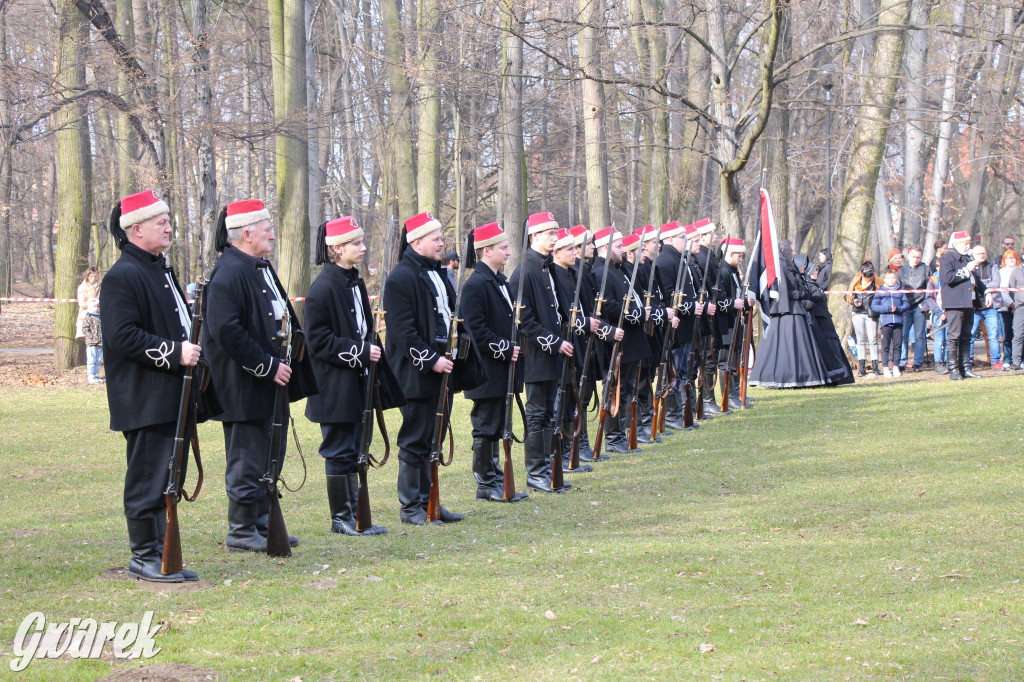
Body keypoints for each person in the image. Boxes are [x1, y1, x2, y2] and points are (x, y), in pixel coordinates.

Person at [100, 190, 214, 582]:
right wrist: (175, 351)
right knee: (149, 477)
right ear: (135, 229)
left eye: (167, 221)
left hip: (170, 395)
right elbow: (122, 337)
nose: (169, 227)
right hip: (144, 396)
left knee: (169, 476)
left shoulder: (158, 270)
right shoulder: (122, 276)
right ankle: (145, 556)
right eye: (160, 222)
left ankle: (161, 554)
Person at [204, 199, 318, 552]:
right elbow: (226, 331)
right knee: (247, 458)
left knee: (270, 453)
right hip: (244, 385)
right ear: (246, 232)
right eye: (267, 227)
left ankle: (263, 522)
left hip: (270, 383)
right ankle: (241, 529)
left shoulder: (258, 267)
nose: (272, 232)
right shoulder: (229, 272)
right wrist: (267, 366)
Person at [304, 216, 402, 536]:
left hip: (359, 383)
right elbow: (318, 341)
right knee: (339, 449)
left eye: (361, 242)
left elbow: (365, 329)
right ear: (336, 248)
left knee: (359, 447)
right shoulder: (321, 288)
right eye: (355, 243)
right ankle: (341, 518)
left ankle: (357, 515)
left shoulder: (356, 282)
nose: (362, 248)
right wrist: (360, 352)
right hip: (333, 387)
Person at [382, 212, 483, 522]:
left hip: (445, 369)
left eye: (441, 238)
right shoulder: (401, 278)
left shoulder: (439, 274)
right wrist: (431, 358)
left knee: (434, 438)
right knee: (416, 439)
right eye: (436, 239)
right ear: (416, 242)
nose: (442, 244)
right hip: (416, 372)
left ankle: (430, 503)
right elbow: (402, 331)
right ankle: (412, 506)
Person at [460, 222, 529, 501]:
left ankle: (497, 476)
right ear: (486, 250)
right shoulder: (475, 284)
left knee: (499, 423)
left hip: (502, 368)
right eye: (503, 248)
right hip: (486, 369)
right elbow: (475, 329)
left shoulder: (499, 280)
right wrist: (504, 347)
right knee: (486, 425)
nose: (509, 253)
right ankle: (486, 483)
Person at [509, 212, 575, 491]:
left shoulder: (545, 267)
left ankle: (547, 467)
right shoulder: (524, 270)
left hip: (552, 355)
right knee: (537, 413)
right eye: (550, 233)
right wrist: (555, 342)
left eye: (555, 231)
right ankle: (536, 472)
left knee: (550, 412)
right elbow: (524, 322)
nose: (555, 237)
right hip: (536, 355)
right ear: (535, 236)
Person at [591, 226, 649, 451]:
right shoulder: (599, 272)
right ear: (605, 247)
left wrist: (641, 312)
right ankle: (614, 439)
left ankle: (621, 434)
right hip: (615, 340)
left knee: (626, 390)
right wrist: (639, 315)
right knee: (616, 390)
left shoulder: (618, 269)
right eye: (618, 246)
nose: (623, 249)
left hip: (631, 340)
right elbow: (610, 308)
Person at [747, 240, 834, 388]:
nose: (794, 253)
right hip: (786, 310)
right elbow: (782, 290)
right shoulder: (780, 266)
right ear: (784, 250)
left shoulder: (787, 265)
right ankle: (788, 377)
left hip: (794, 309)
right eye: (792, 250)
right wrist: (799, 294)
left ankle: (800, 376)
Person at [939, 231, 985, 380]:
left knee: (967, 336)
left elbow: (975, 280)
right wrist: (966, 270)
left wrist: (987, 291)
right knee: (954, 336)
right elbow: (947, 278)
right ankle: (953, 369)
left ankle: (965, 368)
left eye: (968, 243)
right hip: (955, 303)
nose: (968, 246)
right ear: (956, 244)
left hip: (968, 302)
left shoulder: (968, 258)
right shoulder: (947, 258)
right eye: (965, 243)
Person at [967, 245, 1002, 369]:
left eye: (983, 253)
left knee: (993, 335)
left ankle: (995, 361)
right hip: (974, 307)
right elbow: (969, 283)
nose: (981, 255)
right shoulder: (969, 267)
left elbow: (996, 283)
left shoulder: (993, 267)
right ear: (973, 255)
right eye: (978, 254)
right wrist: (986, 283)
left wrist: (981, 285)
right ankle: (968, 361)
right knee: (970, 335)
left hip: (990, 307)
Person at [845, 260, 882, 377]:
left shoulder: (877, 281)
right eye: (867, 276)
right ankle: (862, 366)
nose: (869, 278)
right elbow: (847, 295)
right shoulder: (856, 281)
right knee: (860, 340)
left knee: (873, 339)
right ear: (861, 274)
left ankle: (875, 365)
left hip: (871, 312)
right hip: (858, 313)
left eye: (871, 275)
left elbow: (883, 292)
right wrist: (853, 301)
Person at [871, 270, 910, 377]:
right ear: (885, 279)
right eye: (888, 278)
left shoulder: (900, 291)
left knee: (897, 346)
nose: (891, 280)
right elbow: (874, 306)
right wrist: (888, 308)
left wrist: (898, 309)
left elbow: (906, 304)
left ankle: (896, 366)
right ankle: (885, 367)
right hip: (886, 322)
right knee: (885, 346)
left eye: (893, 278)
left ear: (896, 279)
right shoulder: (880, 291)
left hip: (898, 322)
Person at [898, 245, 929, 371]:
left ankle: (918, 362)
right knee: (903, 335)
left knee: (919, 336)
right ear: (908, 255)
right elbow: (898, 289)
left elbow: (930, 288)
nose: (916, 259)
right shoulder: (901, 271)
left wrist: (926, 303)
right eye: (913, 257)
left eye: (918, 257)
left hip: (919, 306)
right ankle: (902, 361)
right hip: (905, 306)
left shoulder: (925, 269)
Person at [997, 249, 1019, 368]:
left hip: (1020, 307)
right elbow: (1002, 290)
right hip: (1005, 307)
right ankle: (1007, 358)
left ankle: (1019, 358)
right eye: (1008, 259)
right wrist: (1011, 303)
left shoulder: (1020, 271)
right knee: (1007, 335)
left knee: (1019, 334)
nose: (1011, 261)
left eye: (1013, 258)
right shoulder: (1002, 272)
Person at [924, 268, 947, 373]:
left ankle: (948, 361)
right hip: (938, 315)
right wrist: (939, 312)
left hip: (950, 313)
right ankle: (939, 363)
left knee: (949, 340)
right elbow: (929, 298)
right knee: (939, 339)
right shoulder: (933, 279)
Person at [1007, 255, 1024, 370]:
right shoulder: (1016, 271)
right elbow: (1011, 289)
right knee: (1018, 335)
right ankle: (1016, 362)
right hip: (1020, 307)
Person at [76, 266, 101, 339]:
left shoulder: (100, 287)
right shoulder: (82, 288)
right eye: (92, 276)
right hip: (86, 314)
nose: (93, 278)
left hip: (99, 313)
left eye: (95, 276)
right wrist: (93, 303)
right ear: (88, 276)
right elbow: (82, 304)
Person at [83, 297, 104, 384]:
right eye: (94, 307)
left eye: (97, 307)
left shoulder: (101, 317)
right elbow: (85, 329)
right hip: (91, 342)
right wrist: (90, 337)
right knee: (91, 359)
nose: (96, 308)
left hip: (101, 342)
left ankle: (95, 374)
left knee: (98, 359)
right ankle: (91, 375)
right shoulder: (88, 316)